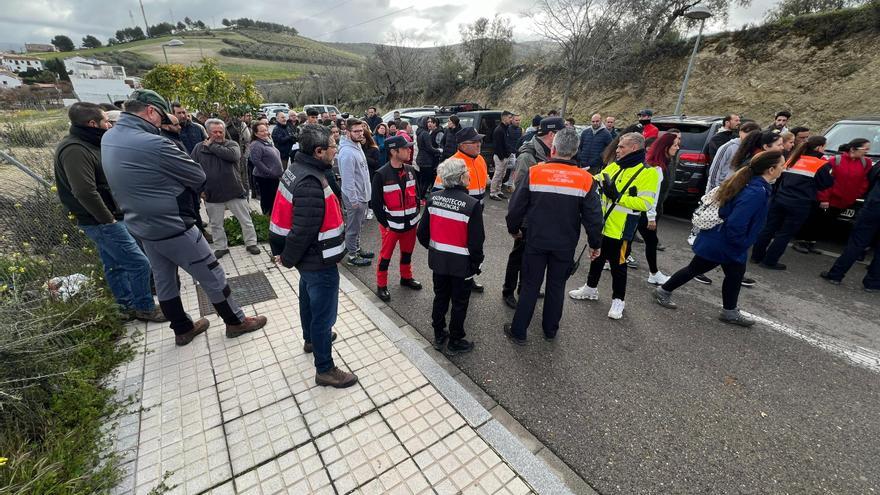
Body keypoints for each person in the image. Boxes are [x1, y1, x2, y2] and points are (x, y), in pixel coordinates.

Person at [103, 89, 266, 346]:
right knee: (212, 275)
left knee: (165, 280)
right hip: (173, 224)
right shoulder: (154, 143)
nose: (162, 123)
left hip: (142, 225)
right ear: (150, 111)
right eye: (160, 116)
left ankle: (182, 329)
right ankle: (235, 321)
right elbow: (197, 176)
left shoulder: (109, 137)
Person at [54, 102, 165, 323]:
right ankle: (144, 307)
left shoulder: (88, 143)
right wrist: (109, 220)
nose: (109, 125)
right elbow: (84, 191)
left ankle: (124, 306)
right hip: (101, 221)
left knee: (114, 264)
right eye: (106, 121)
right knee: (139, 263)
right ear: (92, 123)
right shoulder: (75, 149)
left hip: (105, 218)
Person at [268, 124, 358, 388]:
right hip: (317, 259)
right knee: (323, 315)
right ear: (318, 151)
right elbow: (303, 230)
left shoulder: (299, 169)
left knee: (307, 298)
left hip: (309, 261)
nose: (336, 151)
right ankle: (325, 369)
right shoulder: (310, 181)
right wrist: (287, 259)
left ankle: (310, 339)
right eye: (333, 147)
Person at [654, 151, 787, 326]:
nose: (784, 169)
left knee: (731, 274)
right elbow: (736, 222)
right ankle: (665, 291)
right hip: (726, 242)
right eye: (782, 166)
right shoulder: (756, 191)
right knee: (702, 269)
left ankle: (728, 310)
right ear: (771, 169)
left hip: (721, 239)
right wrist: (740, 243)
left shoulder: (751, 184)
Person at [503, 126, 603, 344]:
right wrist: (596, 244)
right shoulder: (586, 179)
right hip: (565, 244)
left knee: (530, 285)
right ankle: (550, 330)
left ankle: (519, 331)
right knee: (556, 286)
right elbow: (594, 218)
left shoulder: (536, 172)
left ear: (554, 148)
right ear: (575, 151)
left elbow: (516, 207)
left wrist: (514, 229)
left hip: (536, 240)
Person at [569, 132, 660, 320]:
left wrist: (618, 196)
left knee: (619, 265)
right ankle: (591, 288)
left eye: (621, 147)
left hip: (622, 229)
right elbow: (594, 180)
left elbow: (645, 204)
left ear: (634, 148)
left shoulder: (648, 173)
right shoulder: (614, 167)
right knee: (597, 258)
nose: (617, 150)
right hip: (602, 225)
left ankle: (619, 300)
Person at [418, 158, 485, 354]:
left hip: (438, 260)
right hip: (462, 264)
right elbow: (476, 242)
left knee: (440, 297)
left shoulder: (433, 198)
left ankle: (439, 333)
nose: (469, 175)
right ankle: (456, 340)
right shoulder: (472, 205)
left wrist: (435, 249)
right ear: (460, 177)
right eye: (466, 172)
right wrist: (476, 263)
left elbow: (422, 234)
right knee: (459, 302)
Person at [502, 117, 563, 308]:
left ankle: (526, 288)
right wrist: (518, 223)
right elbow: (518, 194)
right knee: (518, 256)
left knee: (532, 258)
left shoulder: (550, 154)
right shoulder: (527, 157)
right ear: (552, 134)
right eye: (561, 133)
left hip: (542, 217)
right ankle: (508, 291)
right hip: (527, 218)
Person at [751, 136, 834, 270]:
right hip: (800, 204)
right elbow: (826, 183)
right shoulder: (821, 164)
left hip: (780, 199)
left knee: (769, 228)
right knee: (785, 233)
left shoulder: (793, 158)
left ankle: (756, 256)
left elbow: (779, 177)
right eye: (824, 146)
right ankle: (769, 261)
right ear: (819, 148)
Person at [192, 119, 261, 258]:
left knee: (245, 220)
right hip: (212, 193)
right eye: (214, 132)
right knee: (216, 224)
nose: (218, 134)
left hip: (234, 190)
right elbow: (193, 169)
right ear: (207, 132)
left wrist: (212, 146)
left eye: (220, 132)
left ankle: (251, 243)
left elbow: (233, 156)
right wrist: (200, 190)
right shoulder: (199, 148)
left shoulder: (232, 144)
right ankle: (221, 247)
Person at [433, 127, 491, 293]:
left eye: (479, 140)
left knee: (473, 246)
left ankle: (469, 276)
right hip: (457, 215)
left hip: (476, 212)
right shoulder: (452, 164)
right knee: (456, 249)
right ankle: (450, 279)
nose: (479, 144)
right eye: (474, 141)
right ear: (463, 145)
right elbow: (438, 193)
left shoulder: (480, 159)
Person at [796, 138, 874, 254]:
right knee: (816, 220)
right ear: (853, 149)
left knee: (827, 223)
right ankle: (801, 241)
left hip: (845, 200)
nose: (867, 152)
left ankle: (812, 242)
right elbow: (826, 181)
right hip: (829, 199)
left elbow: (864, 181)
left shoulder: (865, 163)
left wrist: (855, 195)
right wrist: (824, 199)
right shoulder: (835, 160)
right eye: (865, 149)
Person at [370, 136, 423, 302]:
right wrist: (385, 225)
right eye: (405, 148)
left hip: (410, 224)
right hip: (391, 226)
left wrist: (415, 215)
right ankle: (381, 285)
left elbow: (417, 195)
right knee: (385, 257)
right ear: (393, 151)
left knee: (407, 253)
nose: (409, 150)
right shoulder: (381, 175)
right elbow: (376, 204)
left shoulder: (410, 170)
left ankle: (406, 277)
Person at [820, 159, 880, 291]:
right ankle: (874, 283)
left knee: (857, 243)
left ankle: (836, 275)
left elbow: (871, 176)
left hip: (874, 206)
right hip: (874, 205)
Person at [632, 132, 680, 285]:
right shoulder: (657, 167)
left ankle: (612, 260)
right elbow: (652, 194)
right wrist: (651, 217)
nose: (677, 148)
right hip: (647, 211)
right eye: (675, 145)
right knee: (651, 241)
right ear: (665, 147)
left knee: (629, 237)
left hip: (650, 210)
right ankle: (654, 273)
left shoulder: (664, 163)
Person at [338, 118, 374, 267]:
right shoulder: (347, 152)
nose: (360, 133)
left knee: (359, 225)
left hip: (362, 195)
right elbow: (348, 181)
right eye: (356, 131)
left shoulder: (356, 146)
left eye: (361, 130)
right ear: (348, 132)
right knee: (353, 227)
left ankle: (356, 248)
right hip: (355, 197)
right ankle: (352, 256)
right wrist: (354, 201)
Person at [706, 121, 762, 192]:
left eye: (752, 134)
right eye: (747, 133)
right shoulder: (728, 147)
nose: (749, 136)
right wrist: (712, 192)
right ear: (740, 132)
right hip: (722, 190)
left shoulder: (755, 150)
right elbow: (714, 172)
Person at [248, 121, 284, 215]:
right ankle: (267, 217)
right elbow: (256, 161)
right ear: (256, 133)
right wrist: (269, 172)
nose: (266, 133)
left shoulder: (266, 142)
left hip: (273, 177)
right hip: (265, 178)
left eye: (266, 130)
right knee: (267, 200)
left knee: (274, 199)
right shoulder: (256, 144)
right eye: (262, 131)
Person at [416, 116, 443, 199]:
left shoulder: (419, 132)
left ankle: (419, 196)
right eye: (427, 122)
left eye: (430, 122)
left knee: (422, 179)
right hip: (426, 160)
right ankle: (421, 197)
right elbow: (429, 148)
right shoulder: (425, 133)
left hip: (420, 158)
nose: (429, 124)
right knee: (426, 180)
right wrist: (439, 151)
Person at [489, 111, 513, 200]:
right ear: (504, 118)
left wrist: (509, 153)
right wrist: (502, 157)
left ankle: (498, 191)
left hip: (505, 156)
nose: (511, 119)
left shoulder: (506, 128)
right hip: (500, 157)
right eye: (510, 117)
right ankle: (492, 193)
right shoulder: (499, 130)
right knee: (497, 174)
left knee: (502, 175)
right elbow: (497, 145)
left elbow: (507, 143)